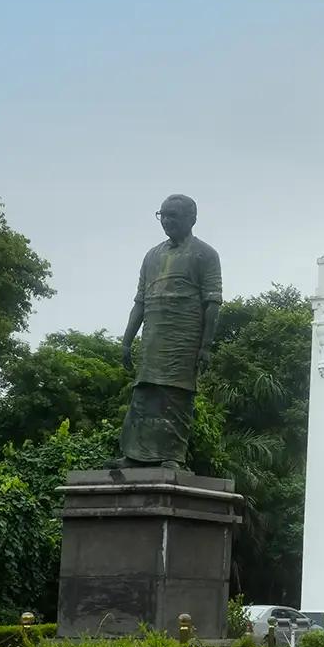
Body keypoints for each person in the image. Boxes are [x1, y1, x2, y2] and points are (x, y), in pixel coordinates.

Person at [114, 194, 222, 469]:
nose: (167, 221)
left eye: (173, 216)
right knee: (144, 394)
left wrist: (206, 346)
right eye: (163, 215)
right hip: (152, 337)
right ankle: (135, 455)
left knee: (176, 396)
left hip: (184, 338)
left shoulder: (205, 254)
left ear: (192, 219)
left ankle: (173, 455)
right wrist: (127, 341)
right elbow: (140, 302)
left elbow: (212, 303)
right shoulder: (152, 255)